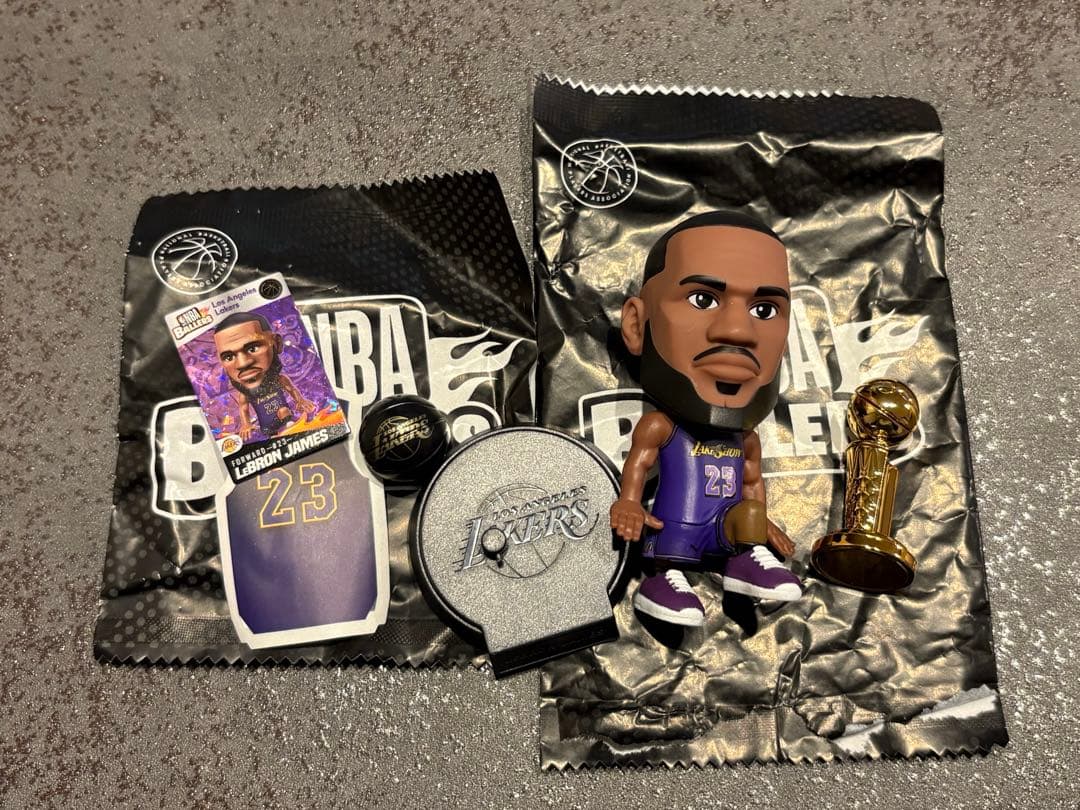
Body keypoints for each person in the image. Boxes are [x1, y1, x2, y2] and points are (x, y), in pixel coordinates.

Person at [610, 211, 802, 627]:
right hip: (675, 527)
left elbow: (751, 482)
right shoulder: (662, 427)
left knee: (747, 517)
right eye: (703, 299)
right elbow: (639, 464)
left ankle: (745, 562)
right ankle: (663, 581)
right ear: (637, 325)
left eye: (764, 309)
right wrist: (628, 502)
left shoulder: (746, 438)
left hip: (726, 528)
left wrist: (757, 525)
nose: (737, 331)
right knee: (672, 552)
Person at [213, 312, 316, 440]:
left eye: (253, 349)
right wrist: (246, 424)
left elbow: (292, 389)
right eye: (229, 357)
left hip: (286, 417)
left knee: (286, 417)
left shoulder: (280, 379)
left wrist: (300, 400)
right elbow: (244, 408)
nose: (243, 364)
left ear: (276, 343)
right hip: (267, 427)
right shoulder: (245, 394)